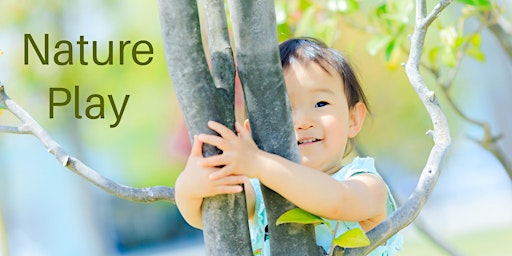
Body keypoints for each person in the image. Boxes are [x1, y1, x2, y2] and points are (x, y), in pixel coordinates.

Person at [174, 37, 403, 255]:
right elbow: (208, 213)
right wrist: (192, 183)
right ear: (254, 133)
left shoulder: (366, 184)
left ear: (353, 119)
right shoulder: (262, 191)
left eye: (321, 103)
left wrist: (260, 164)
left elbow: (337, 201)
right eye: (284, 109)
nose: (303, 122)